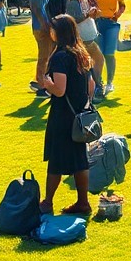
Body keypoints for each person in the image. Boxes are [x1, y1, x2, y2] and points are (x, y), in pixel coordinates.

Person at [40, 14, 93, 214]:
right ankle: (83, 202)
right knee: (80, 160)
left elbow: (60, 90)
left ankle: (47, 203)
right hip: (79, 114)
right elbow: (91, 85)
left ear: (59, 32)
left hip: (63, 115)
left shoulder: (61, 56)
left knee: (56, 159)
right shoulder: (81, 53)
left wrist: (47, 84)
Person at [65, 0, 104, 98]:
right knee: (96, 60)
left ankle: (94, 86)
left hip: (89, 37)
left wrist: (94, 13)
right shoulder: (72, 2)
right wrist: (89, 14)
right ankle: (96, 86)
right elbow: (74, 20)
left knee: (94, 61)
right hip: (82, 39)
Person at [93, 0, 126, 96]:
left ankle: (110, 82)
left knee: (109, 53)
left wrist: (118, 13)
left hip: (111, 23)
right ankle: (98, 82)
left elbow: (122, 5)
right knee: (98, 53)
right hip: (97, 23)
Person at [29, 0, 55, 96]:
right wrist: (43, 22)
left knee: (48, 55)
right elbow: (35, 6)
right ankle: (40, 84)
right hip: (41, 26)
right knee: (44, 56)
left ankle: (43, 81)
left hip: (46, 24)